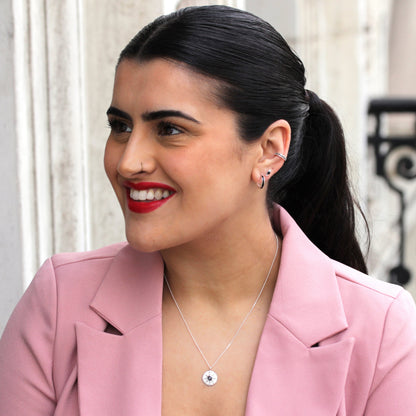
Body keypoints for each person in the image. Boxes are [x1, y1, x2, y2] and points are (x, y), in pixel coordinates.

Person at [1, 5, 416, 415]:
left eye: (169, 129)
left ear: (269, 149)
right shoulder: (60, 302)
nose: (128, 162)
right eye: (120, 126)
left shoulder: (381, 329)